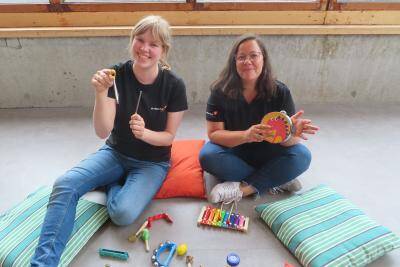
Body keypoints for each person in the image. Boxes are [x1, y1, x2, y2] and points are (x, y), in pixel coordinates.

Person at [31, 15, 188, 266]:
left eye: (154, 44)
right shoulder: (115, 75)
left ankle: (112, 184)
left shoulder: (175, 86)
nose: (145, 49)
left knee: (122, 213)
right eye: (140, 40)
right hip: (115, 153)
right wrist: (100, 93)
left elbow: (168, 137)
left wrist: (145, 133)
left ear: (163, 50)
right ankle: (43, 262)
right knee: (65, 184)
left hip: (152, 163)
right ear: (132, 40)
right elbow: (103, 131)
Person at [199, 34, 319, 204]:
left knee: (302, 155)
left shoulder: (280, 91)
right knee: (208, 156)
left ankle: (244, 189)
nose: (247, 61)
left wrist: (291, 134)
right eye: (241, 57)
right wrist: (246, 135)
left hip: (269, 151)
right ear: (234, 62)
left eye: (254, 55)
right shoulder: (220, 91)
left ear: (264, 58)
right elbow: (214, 134)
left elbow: (290, 141)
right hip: (235, 150)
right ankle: (277, 178)